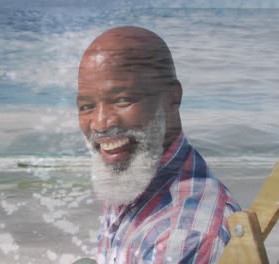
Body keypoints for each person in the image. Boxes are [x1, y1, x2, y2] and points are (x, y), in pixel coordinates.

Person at [77, 26, 241, 263]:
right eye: (86, 106)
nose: (101, 123)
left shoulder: (182, 235)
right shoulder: (132, 170)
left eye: (123, 100)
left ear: (171, 98)